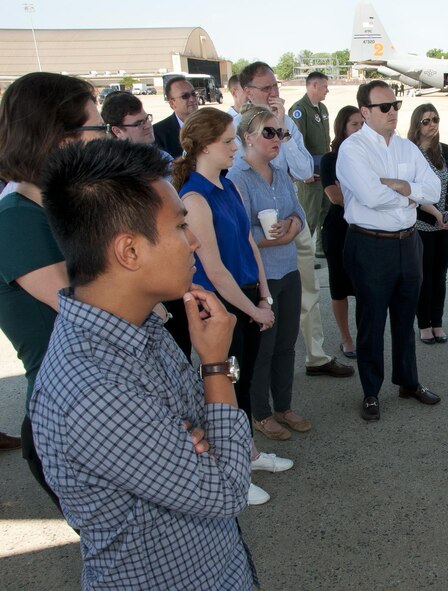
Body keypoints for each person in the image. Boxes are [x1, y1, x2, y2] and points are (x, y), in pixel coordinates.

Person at [32, 138, 256, 588]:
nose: (193, 240)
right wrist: (214, 367)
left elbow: (205, 436)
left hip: (218, 568)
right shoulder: (93, 390)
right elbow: (227, 491)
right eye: (179, 226)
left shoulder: (143, 324)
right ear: (128, 251)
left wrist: (196, 437)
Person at [0, 72, 107, 509]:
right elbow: (98, 309)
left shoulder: (64, 207)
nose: (105, 140)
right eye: (97, 130)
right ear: (63, 140)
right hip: (69, 420)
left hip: (102, 406)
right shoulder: (16, 220)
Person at [172, 107, 289, 506]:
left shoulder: (228, 185)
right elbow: (214, 269)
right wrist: (254, 310)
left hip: (245, 297)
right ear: (206, 146)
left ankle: (249, 454)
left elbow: (250, 243)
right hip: (221, 305)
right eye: (227, 142)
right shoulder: (193, 197)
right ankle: (233, 472)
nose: (235, 148)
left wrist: (263, 294)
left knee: (244, 379)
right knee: (225, 390)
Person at [238, 61, 353, 379]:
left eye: (275, 86)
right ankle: (260, 368)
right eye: (266, 88)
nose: (274, 92)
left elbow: (303, 171)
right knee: (262, 295)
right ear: (248, 92)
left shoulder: (287, 123)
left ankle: (315, 356)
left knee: (308, 290)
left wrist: (282, 128)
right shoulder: (236, 127)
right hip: (255, 228)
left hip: (291, 214)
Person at [337, 80, 441, 421]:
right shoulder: (353, 149)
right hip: (370, 245)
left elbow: (435, 187)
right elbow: (370, 195)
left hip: (408, 243)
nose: (393, 111)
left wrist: (400, 186)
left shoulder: (406, 148)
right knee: (371, 321)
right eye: (385, 107)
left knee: (404, 317)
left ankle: (408, 382)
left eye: (395, 104)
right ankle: (370, 391)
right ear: (365, 112)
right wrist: (413, 194)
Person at [228, 105, 309, 441]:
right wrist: (268, 238)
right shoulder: (238, 179)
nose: (277, 138)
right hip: (262, 278)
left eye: (280, 132)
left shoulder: (279, 173)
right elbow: (238, 234)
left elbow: (300, 213)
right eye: (269, 132)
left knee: (287, 344)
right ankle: (260, 413)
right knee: (263, 348)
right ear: (247, 136)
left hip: (289, 270)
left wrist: (292, 227)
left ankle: (284, 406)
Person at [407, 103, 448, 344]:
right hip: (423, 227)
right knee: (424, 276)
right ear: (417, 126)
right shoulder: (411, 153)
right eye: (426, 121)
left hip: (447, 226)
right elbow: (414, 192)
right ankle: (424, 324)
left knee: (440, 276)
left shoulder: (447, 151)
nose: (432, 124)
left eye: (435, 119)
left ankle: (437, 322)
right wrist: (437, 214)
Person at [320, 106, 362, 358]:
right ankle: (346, 338)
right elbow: (335, 197)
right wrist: (365, 195)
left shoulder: (370, 156)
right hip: (339, 231)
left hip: (365, 231)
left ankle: (364, 333)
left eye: (362, 124)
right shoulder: (330, 159)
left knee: (365, 287)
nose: (359, 129)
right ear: (343, 128)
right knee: (339, 288)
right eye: (354, 124)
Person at [289, 71, 331, 256]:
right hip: (310, 174)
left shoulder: (322, 109)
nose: (327, 90)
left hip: (324, 171)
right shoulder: (299, 110)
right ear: (314, 85)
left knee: (326, 212)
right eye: (324, 86)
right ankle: (303, 257)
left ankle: (321, 248)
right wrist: (302, 173)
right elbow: (297, 144)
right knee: (310, 218)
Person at [153, 75, 199, 158]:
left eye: (193, 94)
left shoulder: (211, 124)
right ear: (172, 103)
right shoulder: (158, 133)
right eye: (185, 96)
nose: (192, 99)